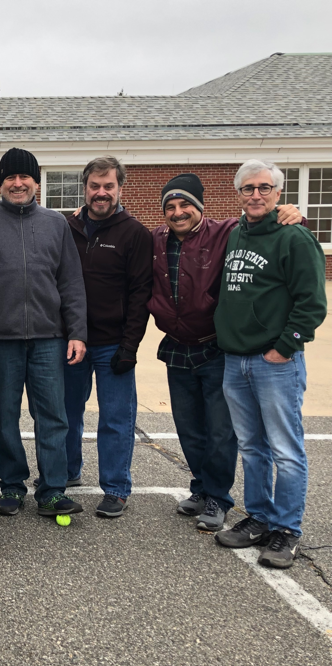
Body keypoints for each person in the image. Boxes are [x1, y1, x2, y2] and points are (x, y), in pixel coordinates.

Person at [148, 173, 306, 533]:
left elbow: (261, 218)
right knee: (189, 430)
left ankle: (219, 496)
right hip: (176, 348)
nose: (178, 212)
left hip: (216, 347)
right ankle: (201, 489)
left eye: (185, 204)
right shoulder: (155, 239)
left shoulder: (226, 232)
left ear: (200, 207)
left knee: (221, 432)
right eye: (170, 207)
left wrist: (291, 212)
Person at [0, 148, 87, 518]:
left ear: (35, 181)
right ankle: (12, 485)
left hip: (50, 338)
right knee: (6, 416)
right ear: (0, 183)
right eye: (10, 178)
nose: (18, 183)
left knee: (53, 416)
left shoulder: (56, 223)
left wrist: (76, 332)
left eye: (24, 177)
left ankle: (51, 490)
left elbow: (71, 282)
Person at [213, 160, 326, 569]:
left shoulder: (294, 237)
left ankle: (286, 530)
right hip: (235, 360)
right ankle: (259, 517)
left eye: (264, 188)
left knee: (285, 449)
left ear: (279, 193)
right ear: (238, 193)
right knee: (251, 447)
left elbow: (312, 302)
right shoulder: (236, 234)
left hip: (274, 363)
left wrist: (284, 347)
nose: (256, 195)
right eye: (248, 188)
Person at [64, 156, 152, 518]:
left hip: (114, 344)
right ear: (85, 188)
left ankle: (116, 488)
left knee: (116, 419)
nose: (101, 193)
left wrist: (130, 346)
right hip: (72, 341)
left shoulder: (135, 234)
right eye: (95, 186)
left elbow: (140, 295)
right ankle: (66, 472)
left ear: (120, 188)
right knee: (65, 414)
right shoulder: (66, 227)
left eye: (109, 186)